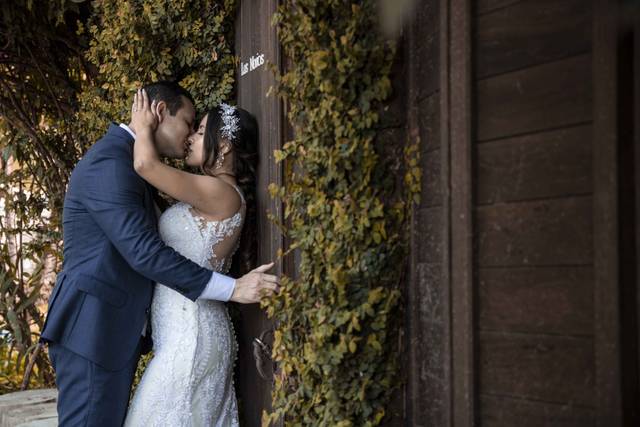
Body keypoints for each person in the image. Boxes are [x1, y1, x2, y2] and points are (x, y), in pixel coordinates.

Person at [39, 82, 278, 426]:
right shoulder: (110, 163)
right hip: (93, 330)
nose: (189, 136)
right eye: (189, 122)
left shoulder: (138, 163)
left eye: (199, 129)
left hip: (139, 334)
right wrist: (231, 288)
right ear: (160, 113)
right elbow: (142, 252)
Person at [123, 89, 257, 425]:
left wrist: (142, 127)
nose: (191, 138)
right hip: (184, 331)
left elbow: (145, 164)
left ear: (223, 145)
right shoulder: (210, 190)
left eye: (200, 131)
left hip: (192, 335)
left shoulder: (220, 191)